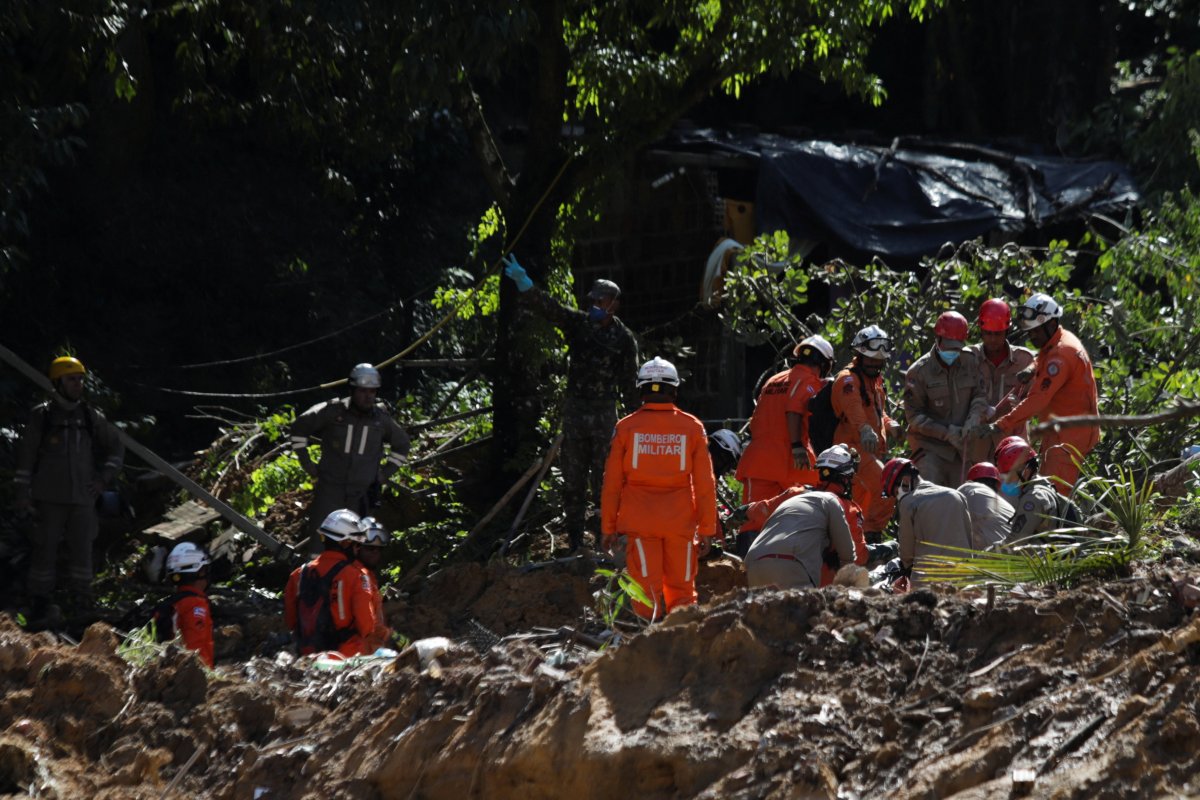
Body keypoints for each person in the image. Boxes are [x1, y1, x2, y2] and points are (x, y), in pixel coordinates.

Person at [503, 254, 639, 551]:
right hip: (576, 413)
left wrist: (637, 423)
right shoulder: (578, 324)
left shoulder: (624, 340)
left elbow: (630, 385)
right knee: (573, 479)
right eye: (593, 301)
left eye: (601, 302)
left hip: (604, 416)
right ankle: (576, 539)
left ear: (613, 305)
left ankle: (606, 538)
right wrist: (525, 284)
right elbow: (549, 308)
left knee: (605, 481)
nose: (594, 306)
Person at [600, 357, 717, 621]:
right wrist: (708, 528)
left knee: (644, 590)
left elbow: (612, 485)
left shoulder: (626, 427)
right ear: (674, 390)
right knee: (683, 590)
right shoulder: (692, 428)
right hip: (680, 523)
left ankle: (647, 637)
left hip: (639, 523)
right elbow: (705, 484)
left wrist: (608, 528)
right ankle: (681, 637)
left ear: (641, 389)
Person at [14, 356, 125, 623]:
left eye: (80, 379)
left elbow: (116, 447)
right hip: (48, 498)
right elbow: (26, 459)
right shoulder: (42, 416)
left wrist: (103, 480)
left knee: (83, 551)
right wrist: (22, 495)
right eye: (71, 379)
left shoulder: (90, 416)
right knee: (45, 549)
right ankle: (40, 603)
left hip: (83, 499)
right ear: (58, 382)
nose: (78, 385)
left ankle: (82, 603)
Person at [975, 293, 1100, 495]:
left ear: (1048, 324)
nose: (1031, 336)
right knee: (1044, 486)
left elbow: (1036, 401)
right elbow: (1044, 356)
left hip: (1070, 438)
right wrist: (1032, 369)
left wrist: (1000, 424)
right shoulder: (1057, 340)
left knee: (1053, 495)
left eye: (1034, 332)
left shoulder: (1060, 356)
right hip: (1060, 429)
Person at [290, 364, 411, 554]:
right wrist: (307, 464)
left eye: (372, 391)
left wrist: (384, 475)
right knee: (319, 546)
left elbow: (402, 444)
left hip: (361, 497)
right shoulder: (332, 412)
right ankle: (313, 581)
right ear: (353, 390)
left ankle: (348, 583)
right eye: (363, 391)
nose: (368, 396)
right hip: (330, 492)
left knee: (354, 548)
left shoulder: (381, 420)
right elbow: (299, 428)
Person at [733, 334, 834, 555]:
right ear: (824, 364)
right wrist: (797, 445)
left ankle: (746, 573)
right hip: (794, 459)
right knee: (804, 513)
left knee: (752, 520)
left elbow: (758, 418)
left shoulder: (774, 380)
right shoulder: (809, 382)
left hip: (759, 460)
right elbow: (793, 409)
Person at [744, 447, 863, 590]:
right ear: (845, 478)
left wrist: (745, 511)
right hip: (799, 570)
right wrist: (878, 551)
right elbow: (856, 555)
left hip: (753, 562)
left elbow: (762, 510)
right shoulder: (844, 506)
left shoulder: (797, 494)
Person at [832, 325, 902, 541]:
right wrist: (864, 429)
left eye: (878, 362)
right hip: (852, 449)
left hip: (870, 451)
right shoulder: (848, 380)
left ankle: (857, 542)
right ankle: (871, 538)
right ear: (859, 356)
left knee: (859, 506)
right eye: (870, 361)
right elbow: (853, 408)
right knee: (887, 488)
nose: (874, 365)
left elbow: (877, 412)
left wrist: (889, 424)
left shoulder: (875, 382)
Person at [903, 311, 989, 487]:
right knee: (931, 498)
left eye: (956, 347)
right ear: (938, 340)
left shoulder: (970, 361)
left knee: (966, 498)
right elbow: (914, 417)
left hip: (962, 450)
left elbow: (980, 395)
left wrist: (974, 418)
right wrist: (946, 433)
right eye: (948, 346)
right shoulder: (919, 372)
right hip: (931, 449)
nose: (952, 352)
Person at [283, 509, 377, 656]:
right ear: (346, 543)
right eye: (357, 545)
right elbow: (366, 626)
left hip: (307, 657)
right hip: (346, 659)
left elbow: (291, 621)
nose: (358, 550)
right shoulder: (357, 576)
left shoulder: (298, 574)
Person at [963, 298, 1036, 464]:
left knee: (1010, 488)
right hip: (975, 446)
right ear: (981, 331)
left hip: (1012, 444)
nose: (993, 339)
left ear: (1007, 331)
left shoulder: (1025, 361)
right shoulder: (968, 358)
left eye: (998, 334)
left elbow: (1037, 400)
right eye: (988, 333)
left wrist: (1020, 407)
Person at [882, 457, 974, 586]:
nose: (898, 497)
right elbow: (969, 538)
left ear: (906, 481)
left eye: (896, 492)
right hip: (964, 577)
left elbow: (907, 554)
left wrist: (906, 568)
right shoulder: (957, 495)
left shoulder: (908, 502)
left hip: (928, 581)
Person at [994, 436, 1081, 541]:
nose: (1007, 481)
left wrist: (984, 554)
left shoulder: (1032, 499)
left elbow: (1014, 543)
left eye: (1009, 475)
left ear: (1025, 471)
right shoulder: (1045, 487)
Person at [152, 542, 214, 668]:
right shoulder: (195, 604)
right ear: (201, 571)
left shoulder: (172, 602)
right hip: (190, 677)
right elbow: (196, 647)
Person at [357, 517, 406, 652]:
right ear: (357, 547)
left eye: (379, 549)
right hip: (359, 652)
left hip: (372, 649)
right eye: (370, 548)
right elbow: (366, 622)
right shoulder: (356, 577)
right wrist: (391, 635)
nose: (375, 553)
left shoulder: (369, 577)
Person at [957, 462, 1014, 550]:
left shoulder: (969, 489)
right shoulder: (1004, 504)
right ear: (997, 485)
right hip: (1019, 553)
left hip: (996, 555)